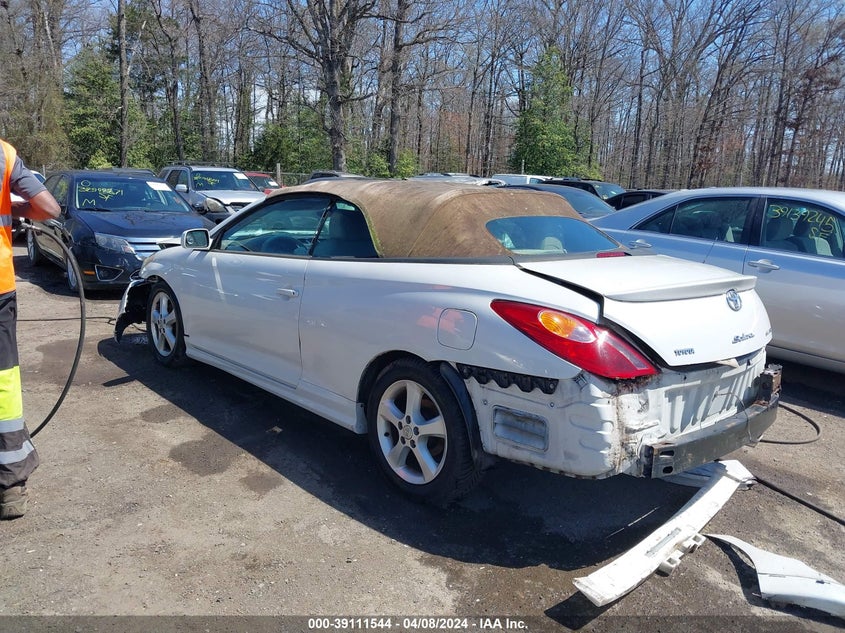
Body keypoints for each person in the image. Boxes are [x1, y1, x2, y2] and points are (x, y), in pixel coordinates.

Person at [0, 139, 60, 519]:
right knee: (3, 385)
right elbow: (48, 208)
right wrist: (13, 205)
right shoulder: (3, 154)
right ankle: (9, 487)